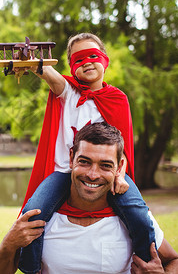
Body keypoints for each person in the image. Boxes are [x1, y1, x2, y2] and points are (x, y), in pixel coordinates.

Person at [17, 33, 154, 273]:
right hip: (64, 173)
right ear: (72, 67)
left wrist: (120, 176)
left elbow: (124, 146)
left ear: (105, 61)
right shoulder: (67, 91)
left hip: (110, 172)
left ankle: (145, 263)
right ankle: (31, 267)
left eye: (93, 56)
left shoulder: (118, 99)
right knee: (32, 212)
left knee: (141, 217)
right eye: (79, 60)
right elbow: (46, 71)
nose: (87, 62)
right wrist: (31, 59)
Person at [0, 123, 178, 274]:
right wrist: (8, 244)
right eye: (84, 161)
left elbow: (177, 263)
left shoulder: (135, 219)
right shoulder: (41, 218)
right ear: (71, 157)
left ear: (119, 168)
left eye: (105, 165)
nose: (93, 174)